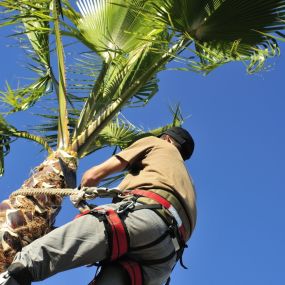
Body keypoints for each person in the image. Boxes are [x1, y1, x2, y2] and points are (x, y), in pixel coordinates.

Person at [0, 127, 197, 285]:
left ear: (168, 139)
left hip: (142, 219)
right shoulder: (188, 184)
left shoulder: (158, 144)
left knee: (33, 261)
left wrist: (81, 190)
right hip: (163, 261)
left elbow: (94, 175)